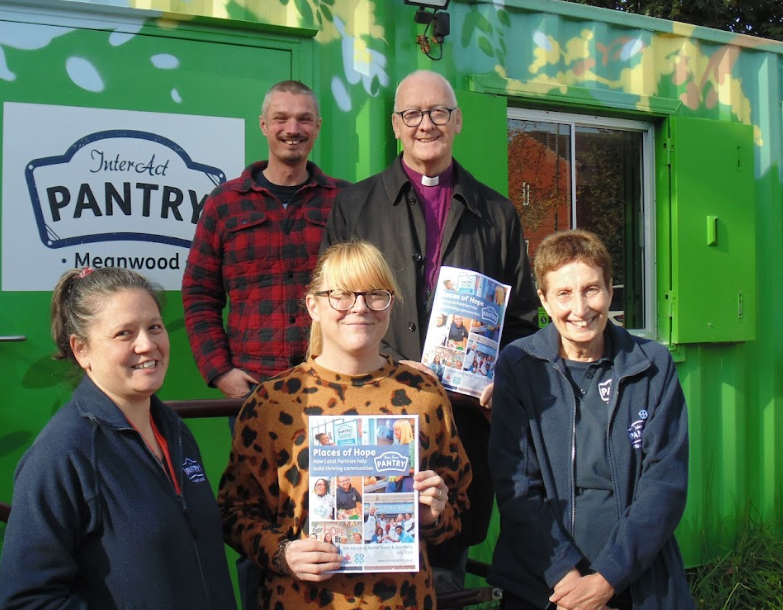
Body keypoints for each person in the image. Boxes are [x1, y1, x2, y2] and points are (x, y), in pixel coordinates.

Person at [321, 69, 540, 593]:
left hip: (458, 429)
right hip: (371, 420)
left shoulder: (497, 213)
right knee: (362, 573)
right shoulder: (354, 206)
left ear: (457, 121)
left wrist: (500, 377)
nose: (426, 124)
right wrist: (393, 363)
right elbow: (332, 308)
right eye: (413, 114)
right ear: (396, 126)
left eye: (438, 112)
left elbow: (524, 320)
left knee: (445, 578)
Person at [217, 240, 471, 610]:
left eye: (375, 295)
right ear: (313, 306)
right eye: (341, 295)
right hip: (301, 600)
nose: (360, 308)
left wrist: (434, 515)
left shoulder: (423, 393)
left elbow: (458, 502)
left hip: (404, 601)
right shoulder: (275, 401)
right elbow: (233, 511)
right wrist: (283, 554)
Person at [0, 267, 236, 610]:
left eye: (154, 327)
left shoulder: (173, 430)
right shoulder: (62, 455)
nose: (147, 344)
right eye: (124, 333)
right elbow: (27, 601)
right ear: (82, 350)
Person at [488, 230, 695, 610]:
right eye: (564, 294)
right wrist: (566, 578)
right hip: (543, 585)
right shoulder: (519, 366)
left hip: (637, 580)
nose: (579, 309)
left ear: (610, 291)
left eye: (591, 290)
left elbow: (664, 485)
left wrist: (607, 580)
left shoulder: (651, 365)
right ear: (543, 301)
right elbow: (516, 486)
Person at [182, 80, 349, 400]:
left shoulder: (344, 200)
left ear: (318, 127)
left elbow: (369, 289)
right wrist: (219, 371)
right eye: (280, 118)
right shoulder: (225, 203)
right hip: (252, 388)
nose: (292, 128)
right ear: (263, 125)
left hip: (331, 382)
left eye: (304, 119)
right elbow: (199, 294)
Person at [386, 418, 416, 492]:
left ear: (404, 431)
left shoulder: (412, 445)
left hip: (408, 478)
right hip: (395, 478)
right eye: (394, 430)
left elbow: (415, 468)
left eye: (397, 430)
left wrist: (403, 472)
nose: (394, 432)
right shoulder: (395, 444)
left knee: (407, 487)